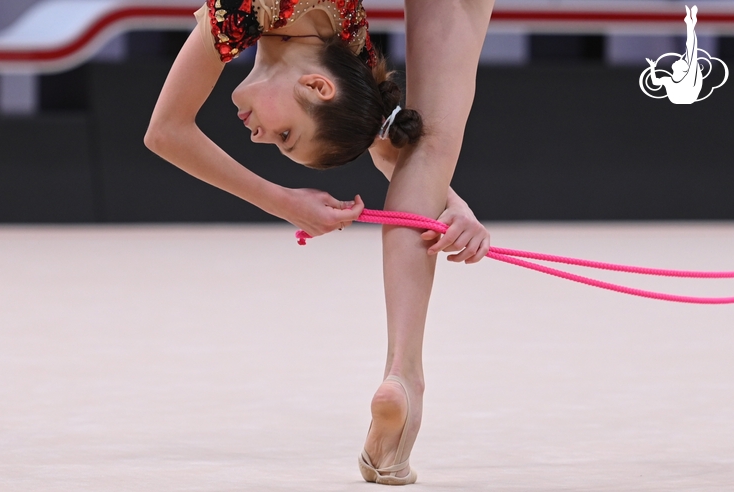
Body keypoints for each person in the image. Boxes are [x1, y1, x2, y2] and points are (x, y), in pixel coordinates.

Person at [145, 0, 494, 485]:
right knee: (431, 146)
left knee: (429, 145)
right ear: (315, 85)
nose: (260, 138)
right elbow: (166, 131)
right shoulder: (267, 17)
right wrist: (442, 198)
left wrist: (449, 203)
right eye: (287, 135)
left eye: (283, 137)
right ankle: (403, 373)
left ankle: (404, 377)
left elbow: (166, 131)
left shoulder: (323, 31)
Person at [646, 5, 702, 104]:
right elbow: (691, 49)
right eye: (683, 61)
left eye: (681, 61)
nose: (680, 59)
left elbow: (691, 48)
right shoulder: (674, 79)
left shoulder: (674, 80)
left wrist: (652, 68)